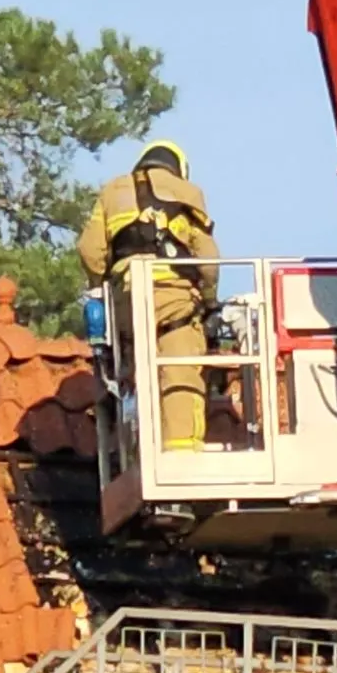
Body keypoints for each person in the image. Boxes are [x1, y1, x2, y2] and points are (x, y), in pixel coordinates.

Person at [79, 140, 220, 450]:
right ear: (178, 168)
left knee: (133, 375)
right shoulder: (188, 192)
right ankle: (182, 455)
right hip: (175, 302)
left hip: (126, 301)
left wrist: (104, 286)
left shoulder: (112, 190)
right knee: (180, 370)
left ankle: (138, 448)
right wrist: (210, 303)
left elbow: (90, 251)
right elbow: (208, 261)